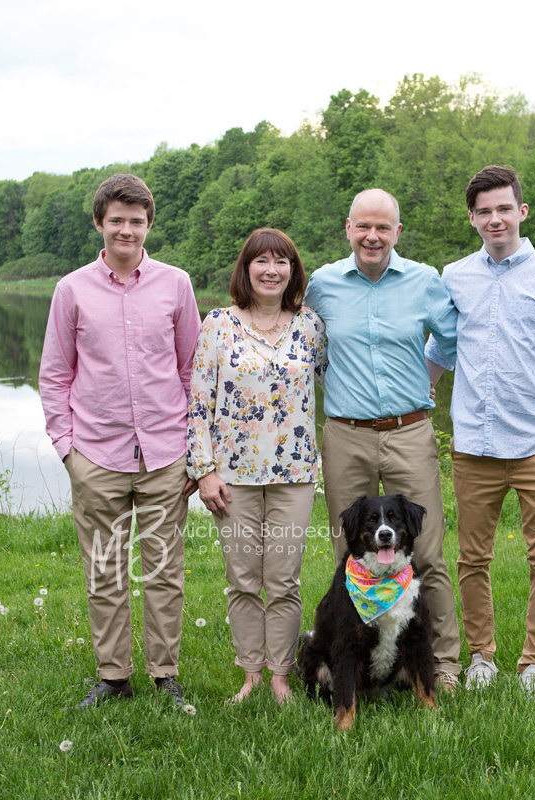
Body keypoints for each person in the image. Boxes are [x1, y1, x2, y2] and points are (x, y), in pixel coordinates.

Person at [425, 164, 535, 697]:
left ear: (521, 211)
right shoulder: (453, 277)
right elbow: (442, 351)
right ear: (472, 219)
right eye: (483, 211)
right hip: (474, 444)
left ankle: (534, 665)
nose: (494, 219)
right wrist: (410, 396)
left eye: (503, 208)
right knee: (473, 558)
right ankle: (482, 657)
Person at [39, 173, 200, 709]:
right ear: (99, 224)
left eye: (136, 221)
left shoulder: (176, 285)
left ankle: (165, 675)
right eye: (116, 221)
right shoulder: (72, 289)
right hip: (97, 454)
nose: (126, 230)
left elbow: (191, 371)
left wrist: (191, 448)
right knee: (104, 571)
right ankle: (113, 677)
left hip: (164, 453)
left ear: (149, 224)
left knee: (162, 571)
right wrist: (68, 450)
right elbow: (56, 375)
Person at [303, 188, 463, 689]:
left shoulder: (424, 281)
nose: (373, 236)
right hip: (345, 435)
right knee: (352, 551)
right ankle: (356, 661)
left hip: (409, 431)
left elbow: (451, 338)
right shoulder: (322, 285)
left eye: (383, 227)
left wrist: (425, 380)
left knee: (428, 554)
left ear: (397, 232)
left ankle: (445, 666)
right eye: (363, 226)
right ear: (348, 228)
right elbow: (306, 344)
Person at [188, 228, 326, 705]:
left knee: (284, 580)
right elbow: (199, 402)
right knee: (243, 579)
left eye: (282, 262)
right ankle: (250, 676)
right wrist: (203, 470)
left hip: (295, 475)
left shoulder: (310, 326)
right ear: (246, 268)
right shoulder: (218, 324)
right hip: (233, 478)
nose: (272, 270)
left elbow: (333, 382)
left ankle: (282, 678)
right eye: (262, 261)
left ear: (293, 271)